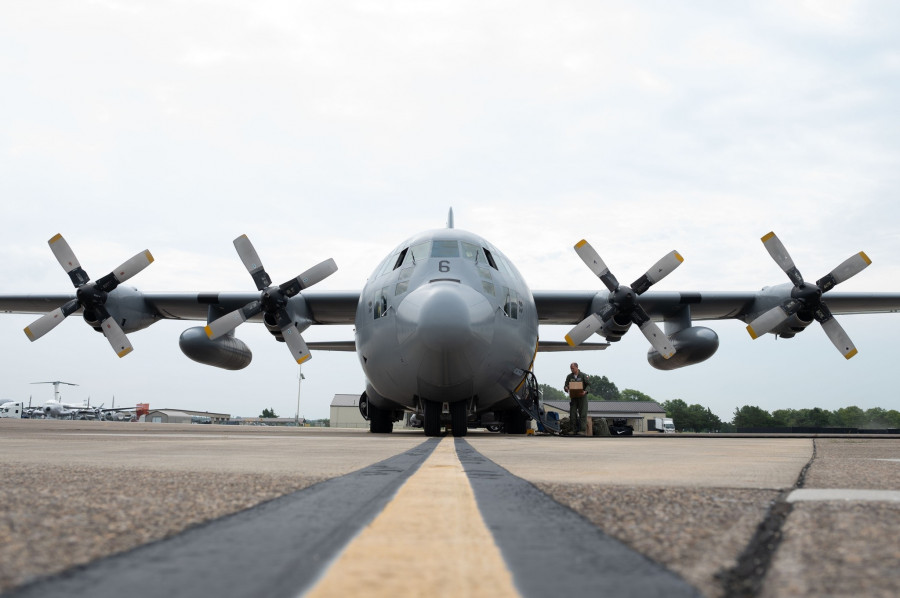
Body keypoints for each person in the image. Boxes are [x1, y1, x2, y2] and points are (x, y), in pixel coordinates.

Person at [563, 362, 590, 435]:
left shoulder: (583, 375)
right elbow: (565, 385)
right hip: (574, 397)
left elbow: (588, 385)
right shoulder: (569, 376)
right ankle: (573, 430)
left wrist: (585, 391)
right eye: (571, 368)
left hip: (582, 397)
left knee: (583, 414)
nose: (571, 370)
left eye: (573, 368)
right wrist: (566, 388)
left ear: (577, 367)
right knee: (572, 413)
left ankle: (582, 430)